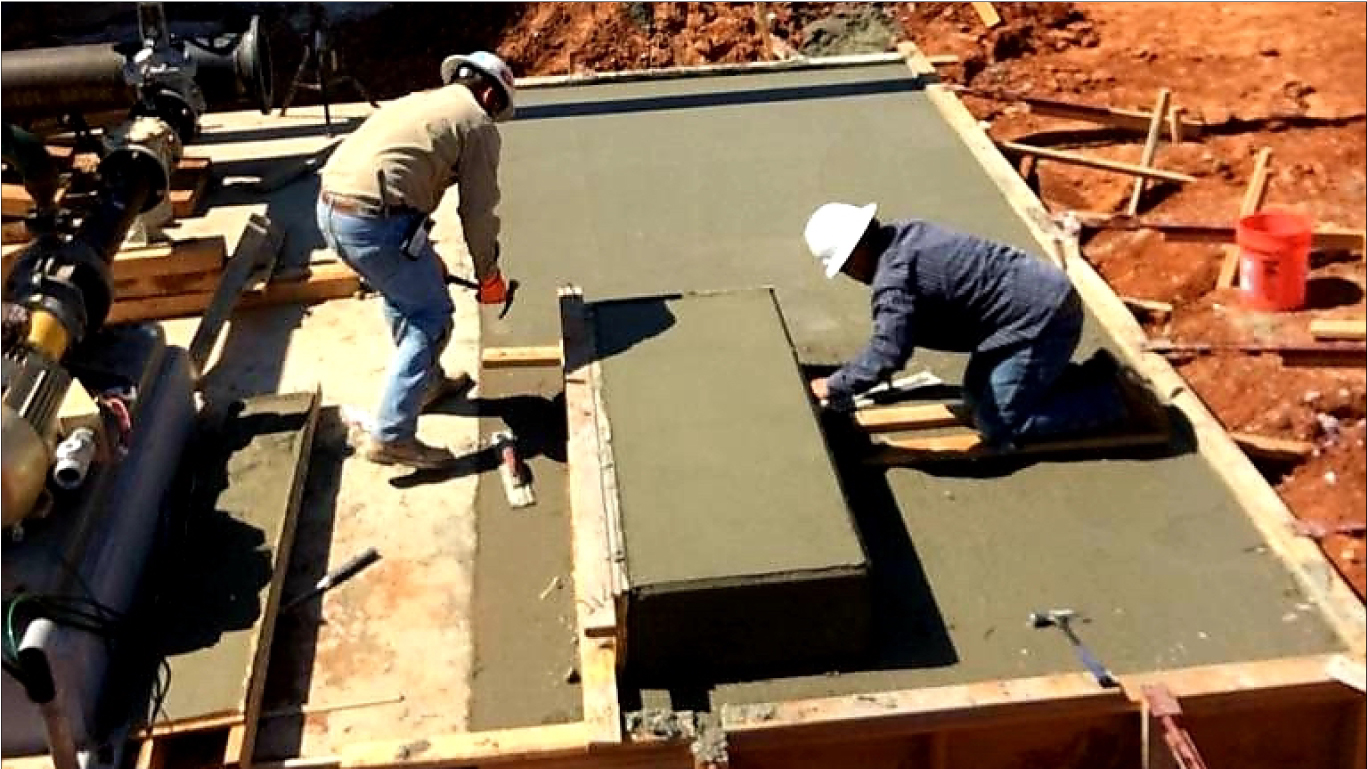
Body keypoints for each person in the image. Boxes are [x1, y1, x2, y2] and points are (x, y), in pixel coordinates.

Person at [317, 51, 516, 469]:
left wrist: (426, 254)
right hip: (374, 223)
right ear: (488, 92)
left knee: (403, 292)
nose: (493, 114)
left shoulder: (419, 101)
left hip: (332, 212)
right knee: (430, 316)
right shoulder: (476, 122)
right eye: (497, 106)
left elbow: (401, 174)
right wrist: (489, 274)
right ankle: (392, 436)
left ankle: (426, 384)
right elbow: (477, 212)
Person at [803, 202, 1126, 449]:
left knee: (996, 424)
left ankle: (1116, 400)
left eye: (845, 267)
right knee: (974, 398)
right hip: (1019, 314)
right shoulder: (905, 235)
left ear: (857, 252)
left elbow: (890, 351)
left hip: (1042, 321)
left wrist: (835, 385)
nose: (849, 275)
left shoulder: (895, 281)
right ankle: (1092, 376)